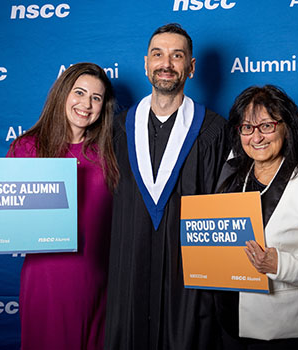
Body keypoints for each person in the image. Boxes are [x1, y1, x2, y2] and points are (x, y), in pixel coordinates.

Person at [104, 23, 229, 350]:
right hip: (127, 275)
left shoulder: (215, 131)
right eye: (158, 55)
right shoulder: (117, 130)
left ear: (191, 67)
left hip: (188, 281)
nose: (166, 64)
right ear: (146, 63)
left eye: (177, 55)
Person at [6, 63, 119, 350]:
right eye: (79, 92)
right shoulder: (27, 148)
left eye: (96, 97)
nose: (86, 104)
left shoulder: (110, 153)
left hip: (100, 281)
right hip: (46, 279)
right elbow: (5, 219)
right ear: (62, 94)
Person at [217, 84, 298, 349]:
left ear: (286, 128)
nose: (256, 137)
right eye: (247, 127)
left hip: (282, 326)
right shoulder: (232, 177)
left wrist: (280, 264)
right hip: (228, 322)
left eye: (266, 126)